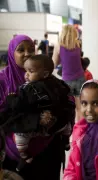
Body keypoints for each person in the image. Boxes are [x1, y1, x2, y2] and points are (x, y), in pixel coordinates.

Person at [0, 35, 75, 180]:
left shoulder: (47, 78)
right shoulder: (3, 81)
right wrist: (34, 118)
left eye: (31, 50)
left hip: (47, 151)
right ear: (11, 53)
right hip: (11, 153)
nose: (27, 53)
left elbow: (66, 103)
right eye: (21, 50)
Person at [53, 25, 85, 122]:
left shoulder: (59, 45)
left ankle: (71, 128)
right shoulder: (78, 43)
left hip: (67, 80)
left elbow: (54, 62)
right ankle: (81, 129)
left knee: (69, 107)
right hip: (80, 77)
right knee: (80, 107)